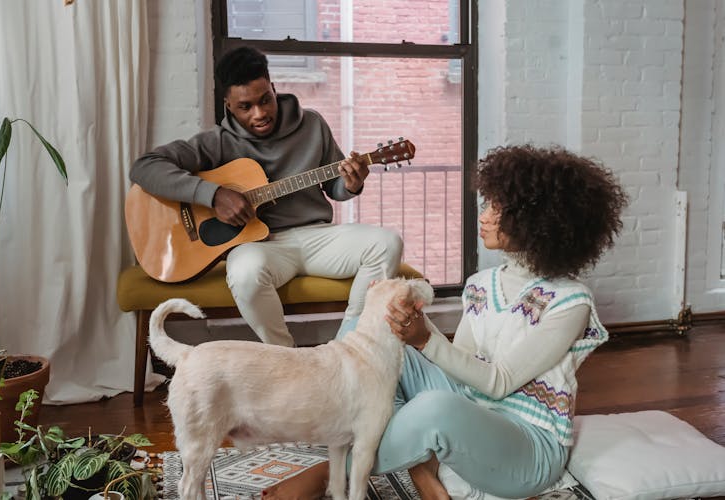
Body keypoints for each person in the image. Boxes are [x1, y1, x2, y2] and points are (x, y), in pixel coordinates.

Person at [263, 144, 628, 500]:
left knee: (435, 408)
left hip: (527, 447)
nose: (483, 216)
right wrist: (405, 325)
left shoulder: (570, 301)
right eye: (487, 204)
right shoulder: (482, 284)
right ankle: (422, 466)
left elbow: (498, 383)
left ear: (537, 221)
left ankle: (331, 471)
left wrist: (424, 338)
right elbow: (461, 371)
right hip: (473, 409)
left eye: (497, 208)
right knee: (364, 327)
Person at [130, 46, 403, 347]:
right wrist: (213, 194)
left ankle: (349, 346)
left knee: (387, 243)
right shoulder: (216, 142)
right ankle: (286, 356)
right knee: (245, 271)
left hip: (318, 237)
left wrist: (351, 184)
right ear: (229, 105)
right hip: (263, 246)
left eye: (265, 100)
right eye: (245, 107)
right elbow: (145, 167)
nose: (259, 114)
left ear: (273, 89)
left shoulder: (312, 124)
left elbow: (335, 188)